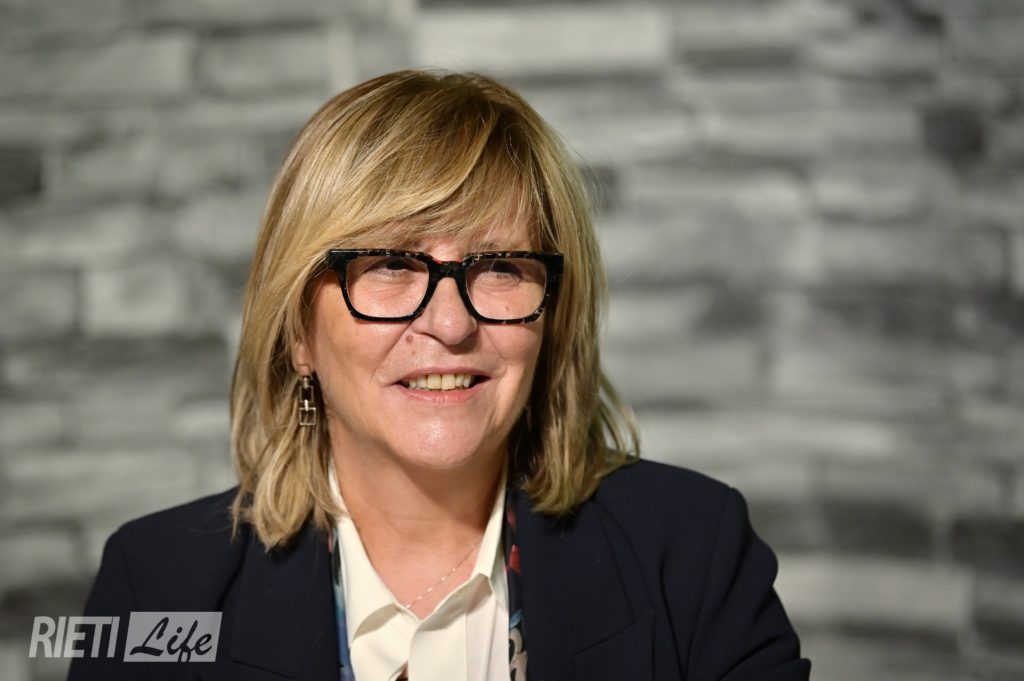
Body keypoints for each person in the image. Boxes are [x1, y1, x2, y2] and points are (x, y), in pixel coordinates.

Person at [68, 69, 810, 681]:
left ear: (551, 318)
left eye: (500, 267)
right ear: (298, 332)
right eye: (391, 264)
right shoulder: (157, 589)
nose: (451, 324)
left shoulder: (692, 552)